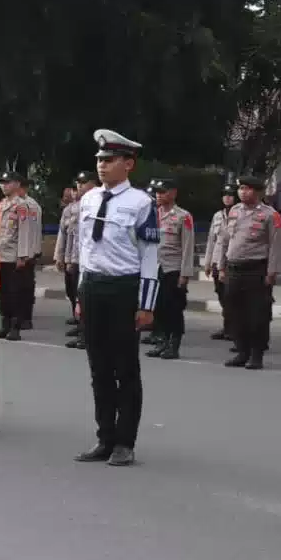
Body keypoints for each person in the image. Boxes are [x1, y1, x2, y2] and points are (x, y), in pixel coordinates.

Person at [73, 129, 159, 467]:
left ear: (128, 164)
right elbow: (85, 248)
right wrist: (80, 292)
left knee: (126, 368)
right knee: (99, 368)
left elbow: (150, 257)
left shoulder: (141, 202)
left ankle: (125, 441)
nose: (102, 166)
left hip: (124, 289)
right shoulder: (89, 199)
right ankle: (104, 437)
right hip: (93, 287)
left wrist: (146, 303)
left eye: (109, 160)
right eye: (99, 160)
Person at [220, 174, 281, 369]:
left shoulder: (270, 214)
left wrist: (272, 272)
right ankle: (241, 351)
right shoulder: (234, 212)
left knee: (257, 314)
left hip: (256, 269)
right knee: (234, 312)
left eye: (247, 189)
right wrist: (220, 265)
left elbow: (275, 245)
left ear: (258, 192)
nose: (242, 192)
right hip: (234, 268)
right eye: (241, 189)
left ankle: (256, 354)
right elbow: (225, 240)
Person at [145, 179, 195, 360]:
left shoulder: (183, 217)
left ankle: (174, 345)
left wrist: (185, 273)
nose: (158, 195)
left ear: (173, 193)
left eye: (163, 191)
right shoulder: (152, 215)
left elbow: (188, 247)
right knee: (158, 308)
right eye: (157, 191)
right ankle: (162, 342)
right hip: (154, 268)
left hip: (172, 269)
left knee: (173, 309)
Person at [0, 172, 42, 341]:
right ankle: (4, 323)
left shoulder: (22, 206)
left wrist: (23, 256)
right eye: (2, 183)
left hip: (14, 256)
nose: (4, 186)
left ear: (16, 184)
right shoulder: (0, 205)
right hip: (0, 255)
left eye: (7, 183)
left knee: (15, 292)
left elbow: (25, 232)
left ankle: (15, 326)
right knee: (2, 293)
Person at [59, 172, 95, 349]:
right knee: (74, 294)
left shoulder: (96, 205)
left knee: (86, 298)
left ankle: (87, 333)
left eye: (83, 182)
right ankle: (82, 327)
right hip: (73, 258)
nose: (79, 186)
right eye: (78, 182)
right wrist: (61, 257)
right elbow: (65, 235)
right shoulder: (72, 208)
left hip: (88, 261)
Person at [201, 182, 239, 342]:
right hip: (217, 260)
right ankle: (227, 327)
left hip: (232, 260)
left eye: (230, 195)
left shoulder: (240, 214)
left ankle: (235, 328)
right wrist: (208, 262)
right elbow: (212, 240)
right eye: (225, 194)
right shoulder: (218, 215)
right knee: (222, 295)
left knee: (232, 296)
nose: (227, 197)